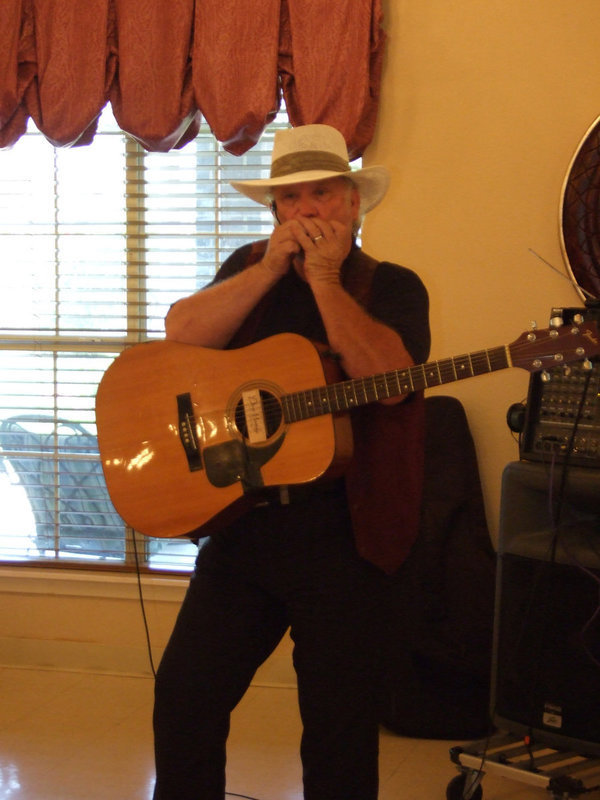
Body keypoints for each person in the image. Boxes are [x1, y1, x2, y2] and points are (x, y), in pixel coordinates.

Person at [152, 124, 430, 800]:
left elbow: (390, 379)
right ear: (275, 210)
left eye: (323, 194)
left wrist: (327, 282)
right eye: (292, 198)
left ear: (354, 204)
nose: (308, 211)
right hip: (242, 529)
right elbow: (181, 334)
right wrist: (271, 269)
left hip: (343, 538)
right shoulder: (249, 270)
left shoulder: (391, 286)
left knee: (337, 733)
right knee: (185, 703)